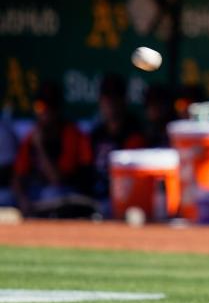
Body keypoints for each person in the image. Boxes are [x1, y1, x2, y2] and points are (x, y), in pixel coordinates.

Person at [12, 81, 93, 217]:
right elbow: (17, 177)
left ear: (57, 109)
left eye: (49, 107)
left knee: (51, 193)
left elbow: (57, 179)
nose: (44, 113)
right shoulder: (33, 134)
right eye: (40, 107)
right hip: (37, 193)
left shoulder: (70, 134)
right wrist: (22, 200)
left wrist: (40, 147)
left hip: (70, 195)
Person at [89, 75, 146, 203]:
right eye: (107, 97)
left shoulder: (134, 132)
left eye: (115, 97)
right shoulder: (97, 133)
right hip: (95, 196)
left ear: (124, 100)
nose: (110, 102)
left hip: (122, 197)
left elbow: (132, 177)